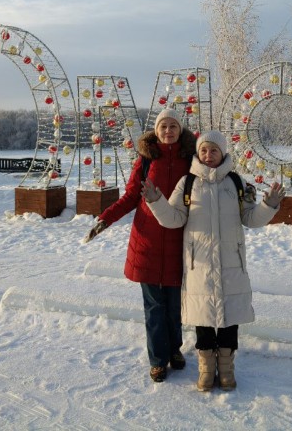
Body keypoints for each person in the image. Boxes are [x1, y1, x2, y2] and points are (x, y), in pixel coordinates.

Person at [142, 130, 285, 391]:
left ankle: (227, 369)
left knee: (230, 319)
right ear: (198, 153)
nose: (209, 155)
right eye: (204, 150)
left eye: (214, 150)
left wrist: (269, 206)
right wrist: (156, 201)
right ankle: (207, 369)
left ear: (223, 153)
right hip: (200, 264)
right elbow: (173, 218)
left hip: (232, 262)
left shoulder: (237, 183)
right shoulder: (187, 183)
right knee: (204, 318)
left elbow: (251, 219)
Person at [83, 108, 196, 383]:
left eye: (173, 126)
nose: (168, 131)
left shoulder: (190, 160)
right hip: (147, 240)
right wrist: (104, 219)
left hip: (179, 240)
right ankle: (158, 360)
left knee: (174, 304)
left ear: (180, 130)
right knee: (154, 306)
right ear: (155, 131)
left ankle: (174, 350)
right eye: (163, 126)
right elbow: (131, 196)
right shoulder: (146, 160)